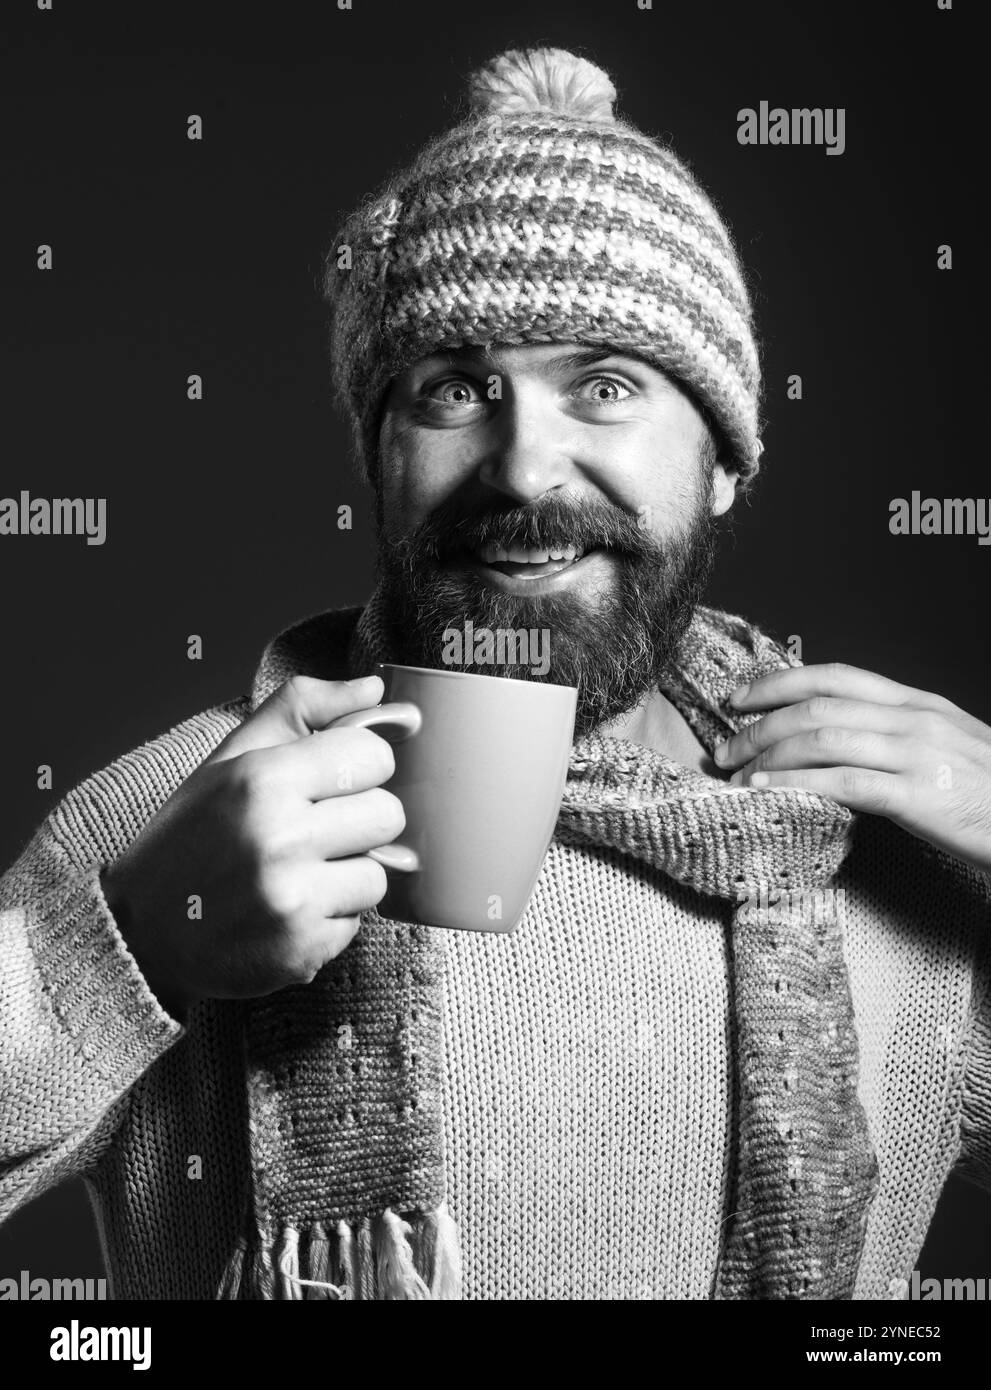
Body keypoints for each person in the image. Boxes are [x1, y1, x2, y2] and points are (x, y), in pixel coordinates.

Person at [2, 45, 989, 1302]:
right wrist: (129, 943)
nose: (526, 471)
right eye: (456, 389)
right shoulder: (178, 827)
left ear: (726, 459)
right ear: (378, 450)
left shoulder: (894, 855)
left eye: (608, 383)